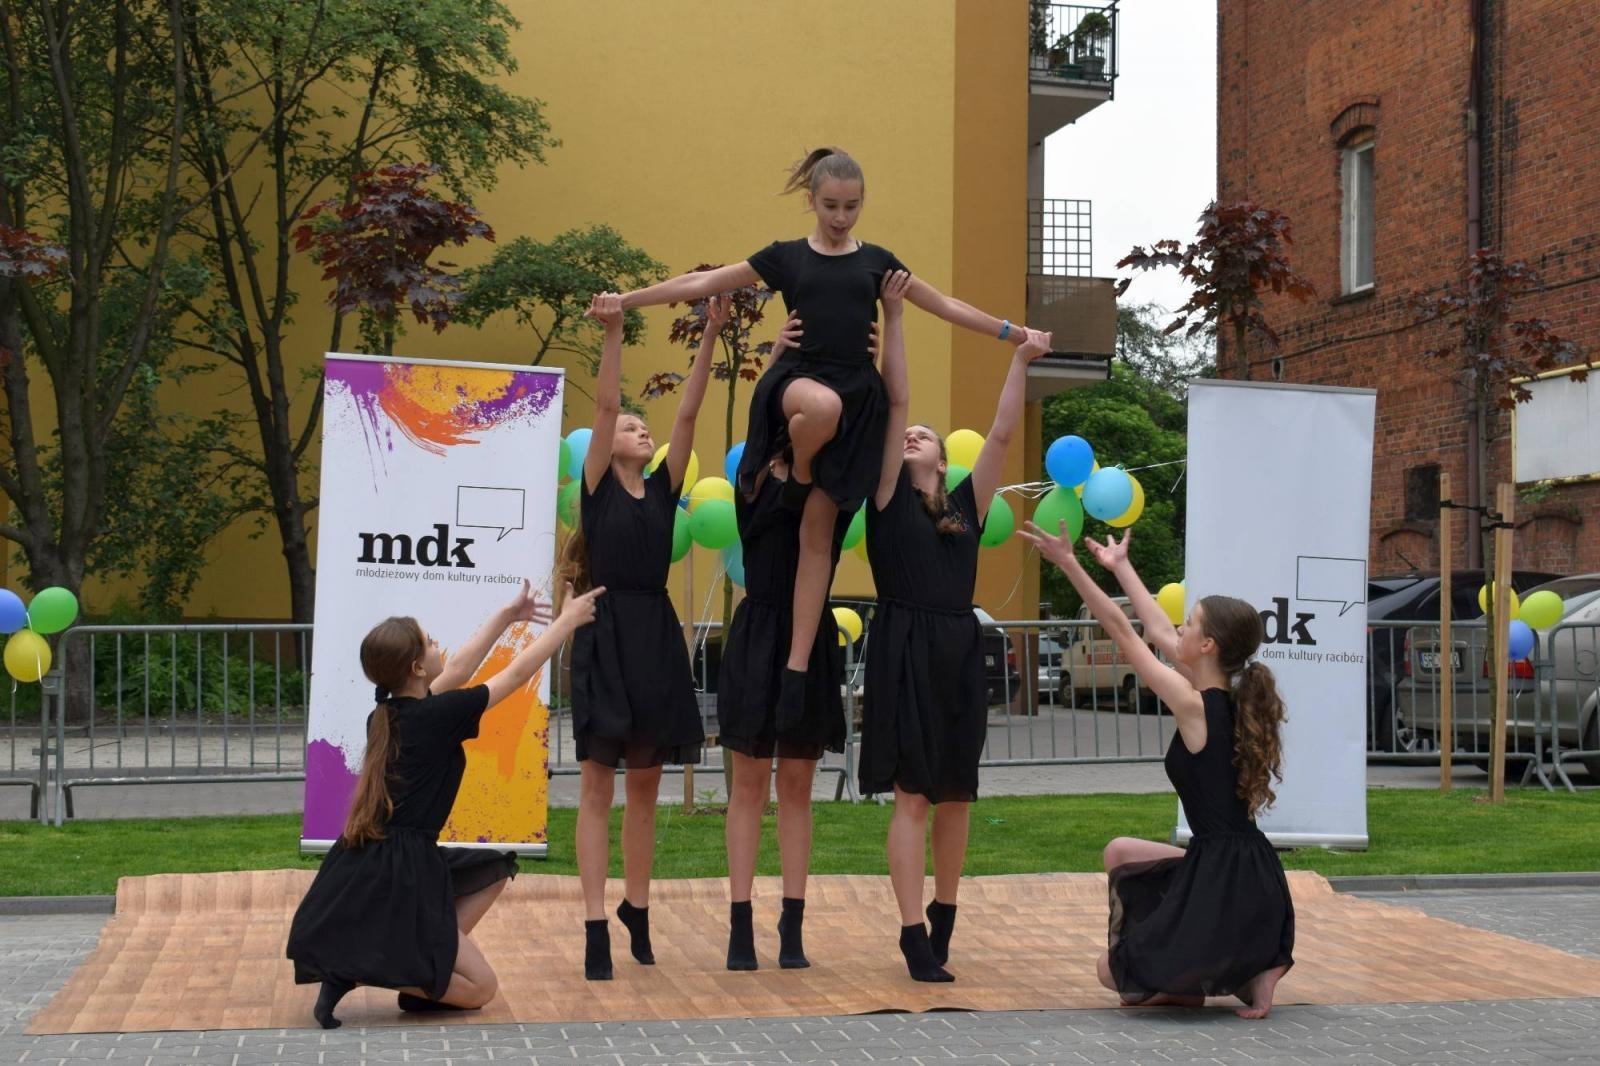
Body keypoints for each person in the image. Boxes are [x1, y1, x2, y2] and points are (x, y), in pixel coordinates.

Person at [616, 148, 1048, 729]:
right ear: (811, 201)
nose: (841, 217)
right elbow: (708, 280)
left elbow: (942, 304)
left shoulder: (878, 264)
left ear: (861, 202)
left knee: (817, 536)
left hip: (857, 409)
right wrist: (628, 300)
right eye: (830, 206)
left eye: (851, 206)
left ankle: (796, 670)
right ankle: (795, 465)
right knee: (819, 407)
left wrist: (1011, 332)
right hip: (798, 384)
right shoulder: (787, 258)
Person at [287, 579, 603, 1029]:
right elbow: (513, 676)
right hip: (404, 867)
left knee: (491, 869)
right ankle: (368, 966)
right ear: (417, 667)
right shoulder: (435, 717)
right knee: (481, 990)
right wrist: (566, 623)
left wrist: (507, 616)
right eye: (430, 641)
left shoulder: (389, 714)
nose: (440, 646)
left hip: (381, 858)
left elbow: (458, 668)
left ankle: (414, 969)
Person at [1018, 523, 1296, 1019]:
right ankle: (1242, 965)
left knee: (1112, 971)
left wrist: (1067, 562)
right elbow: (1155, 632)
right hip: (1251, 871)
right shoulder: (1224, 698)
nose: (1180, 631)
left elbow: (1124, 632)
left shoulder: (1194, 705)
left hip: (1225, 881)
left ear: (1208, 645)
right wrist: (1120, 566)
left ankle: (1243, 966)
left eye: (1190, 624)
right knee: (1120, 851)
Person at [715, 273, 905, 971]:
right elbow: (778, 415)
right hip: (756, 632)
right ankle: (740, 923)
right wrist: (779, 364)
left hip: (807, 638)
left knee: (796, 787)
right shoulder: (753, 485)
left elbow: (853, 415)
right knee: (746, 783)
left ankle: (792, 926)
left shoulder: (833, 498)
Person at [859, 296, 1051, 982]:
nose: (914, 439)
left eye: (925, 438)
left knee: (956, 792)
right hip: (903, 645)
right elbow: (895, 400)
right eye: (910, 436)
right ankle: (912, 935)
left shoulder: (967, 503)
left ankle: (945, 911)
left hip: (957, 650)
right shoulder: (883, 497)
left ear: (944, 460)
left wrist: (1021, 358)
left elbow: (1001, 436)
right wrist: (899, 319)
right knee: (912, 793)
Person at [559, 291, 718, 980]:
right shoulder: (595, 483)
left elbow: (688, 411)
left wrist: (710, 333)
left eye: (640, 427)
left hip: (654, 634)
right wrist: (615, 332)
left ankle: (638, 909)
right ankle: (596, 923)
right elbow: (601, 406)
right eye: (631, 425)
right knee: (598, 788)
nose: (640, 429)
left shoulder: (663, 489)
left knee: (647, 790)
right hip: (605, 631)